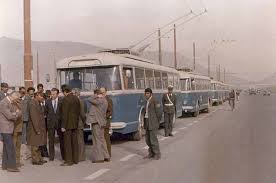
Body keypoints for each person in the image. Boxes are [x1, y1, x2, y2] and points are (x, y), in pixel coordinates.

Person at [0, 91, 22, 172]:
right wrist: (15, 114)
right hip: (5, 128)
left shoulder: (10, 102)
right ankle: (12, 166)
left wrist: (15, 113)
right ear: (12, 96)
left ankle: (5, 165)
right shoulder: (3, 103)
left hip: (8, 128)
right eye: (16, 99)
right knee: (10, 148)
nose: (16, 101)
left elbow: (19, 112)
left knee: (6, 148)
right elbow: (9, 116)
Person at [86, 89, 110, 163]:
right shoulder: (105, 100)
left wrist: (96, 95)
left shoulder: (99, 101)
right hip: (102, 122)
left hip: (97, 122)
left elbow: (89, 99)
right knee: (102, 139)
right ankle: (106, 156)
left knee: (97, 140)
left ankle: (99, 158)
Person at [60, 85, 80, 166]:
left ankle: (69, 160)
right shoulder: (76, 98)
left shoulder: (66, 99)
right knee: (74, 142)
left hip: (67, 124)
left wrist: (63, 126)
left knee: (67, 143)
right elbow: (78, 111)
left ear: (65, 91)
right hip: (75, 123)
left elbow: (64, 114)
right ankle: (75, 159)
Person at [27, 92, 47, 165]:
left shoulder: (38, 103)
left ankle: (39, 158)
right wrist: (37, 129)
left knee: (39, 143)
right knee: (35, 144)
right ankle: (35, 160)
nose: (43, 98)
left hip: (40, 127)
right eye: (41, 96)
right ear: (36, 96)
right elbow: (34, 117)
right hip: (35, 128)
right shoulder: (32, 104)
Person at [45, 88, 64, 161]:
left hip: (59, 123)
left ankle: (63, 156)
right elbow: (46, 112)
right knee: (51, 140)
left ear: (57, 94)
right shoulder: (47, 101)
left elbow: (63, 112)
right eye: (51, 94)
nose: (52, 96)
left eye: (54, 94)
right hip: (51, 123)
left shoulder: (61, 101)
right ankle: (51, 157)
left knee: (62, 140)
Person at [143, 88, 162, 160]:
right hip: (147, 121)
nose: (147, 95)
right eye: (146, 93)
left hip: (153, 122)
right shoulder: (146, 101)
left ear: (151, 94)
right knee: (147, 139)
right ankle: (151, 153)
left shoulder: (155, 100)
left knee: (153, 139)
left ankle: (157, 154)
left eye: (148, 93)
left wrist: (157, 122)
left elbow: (159, 113)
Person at [72, 88, 86, 162]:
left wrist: (84, 121)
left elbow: (82, 114)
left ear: (78, 94)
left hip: (79, 123)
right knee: (77, 140)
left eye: (74, 93)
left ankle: (81, 156)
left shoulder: (80, 101)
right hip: (75, 123)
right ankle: (78, 156)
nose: (73, 94)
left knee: (80, 140)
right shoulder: (74, 101)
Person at [100, 87, 113, 157]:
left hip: (106, 122)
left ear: (106, 92)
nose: (102, 94)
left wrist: (103, 116)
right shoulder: (99, 100)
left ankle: (108, 154)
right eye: (100, 93)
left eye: (103, 93)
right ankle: (103, 154)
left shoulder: (109, 100)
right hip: (100, 122)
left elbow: (110, 112)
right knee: (101, 139)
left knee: (106, 138)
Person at [12, 96, 24, 168]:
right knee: (13, 146)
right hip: (14, 128)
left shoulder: (20, 103)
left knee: (18, 146)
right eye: (17, 97)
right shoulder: (11, 105)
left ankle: (18, 161)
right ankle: (13, 162)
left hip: (20, 127)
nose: (19, 98)